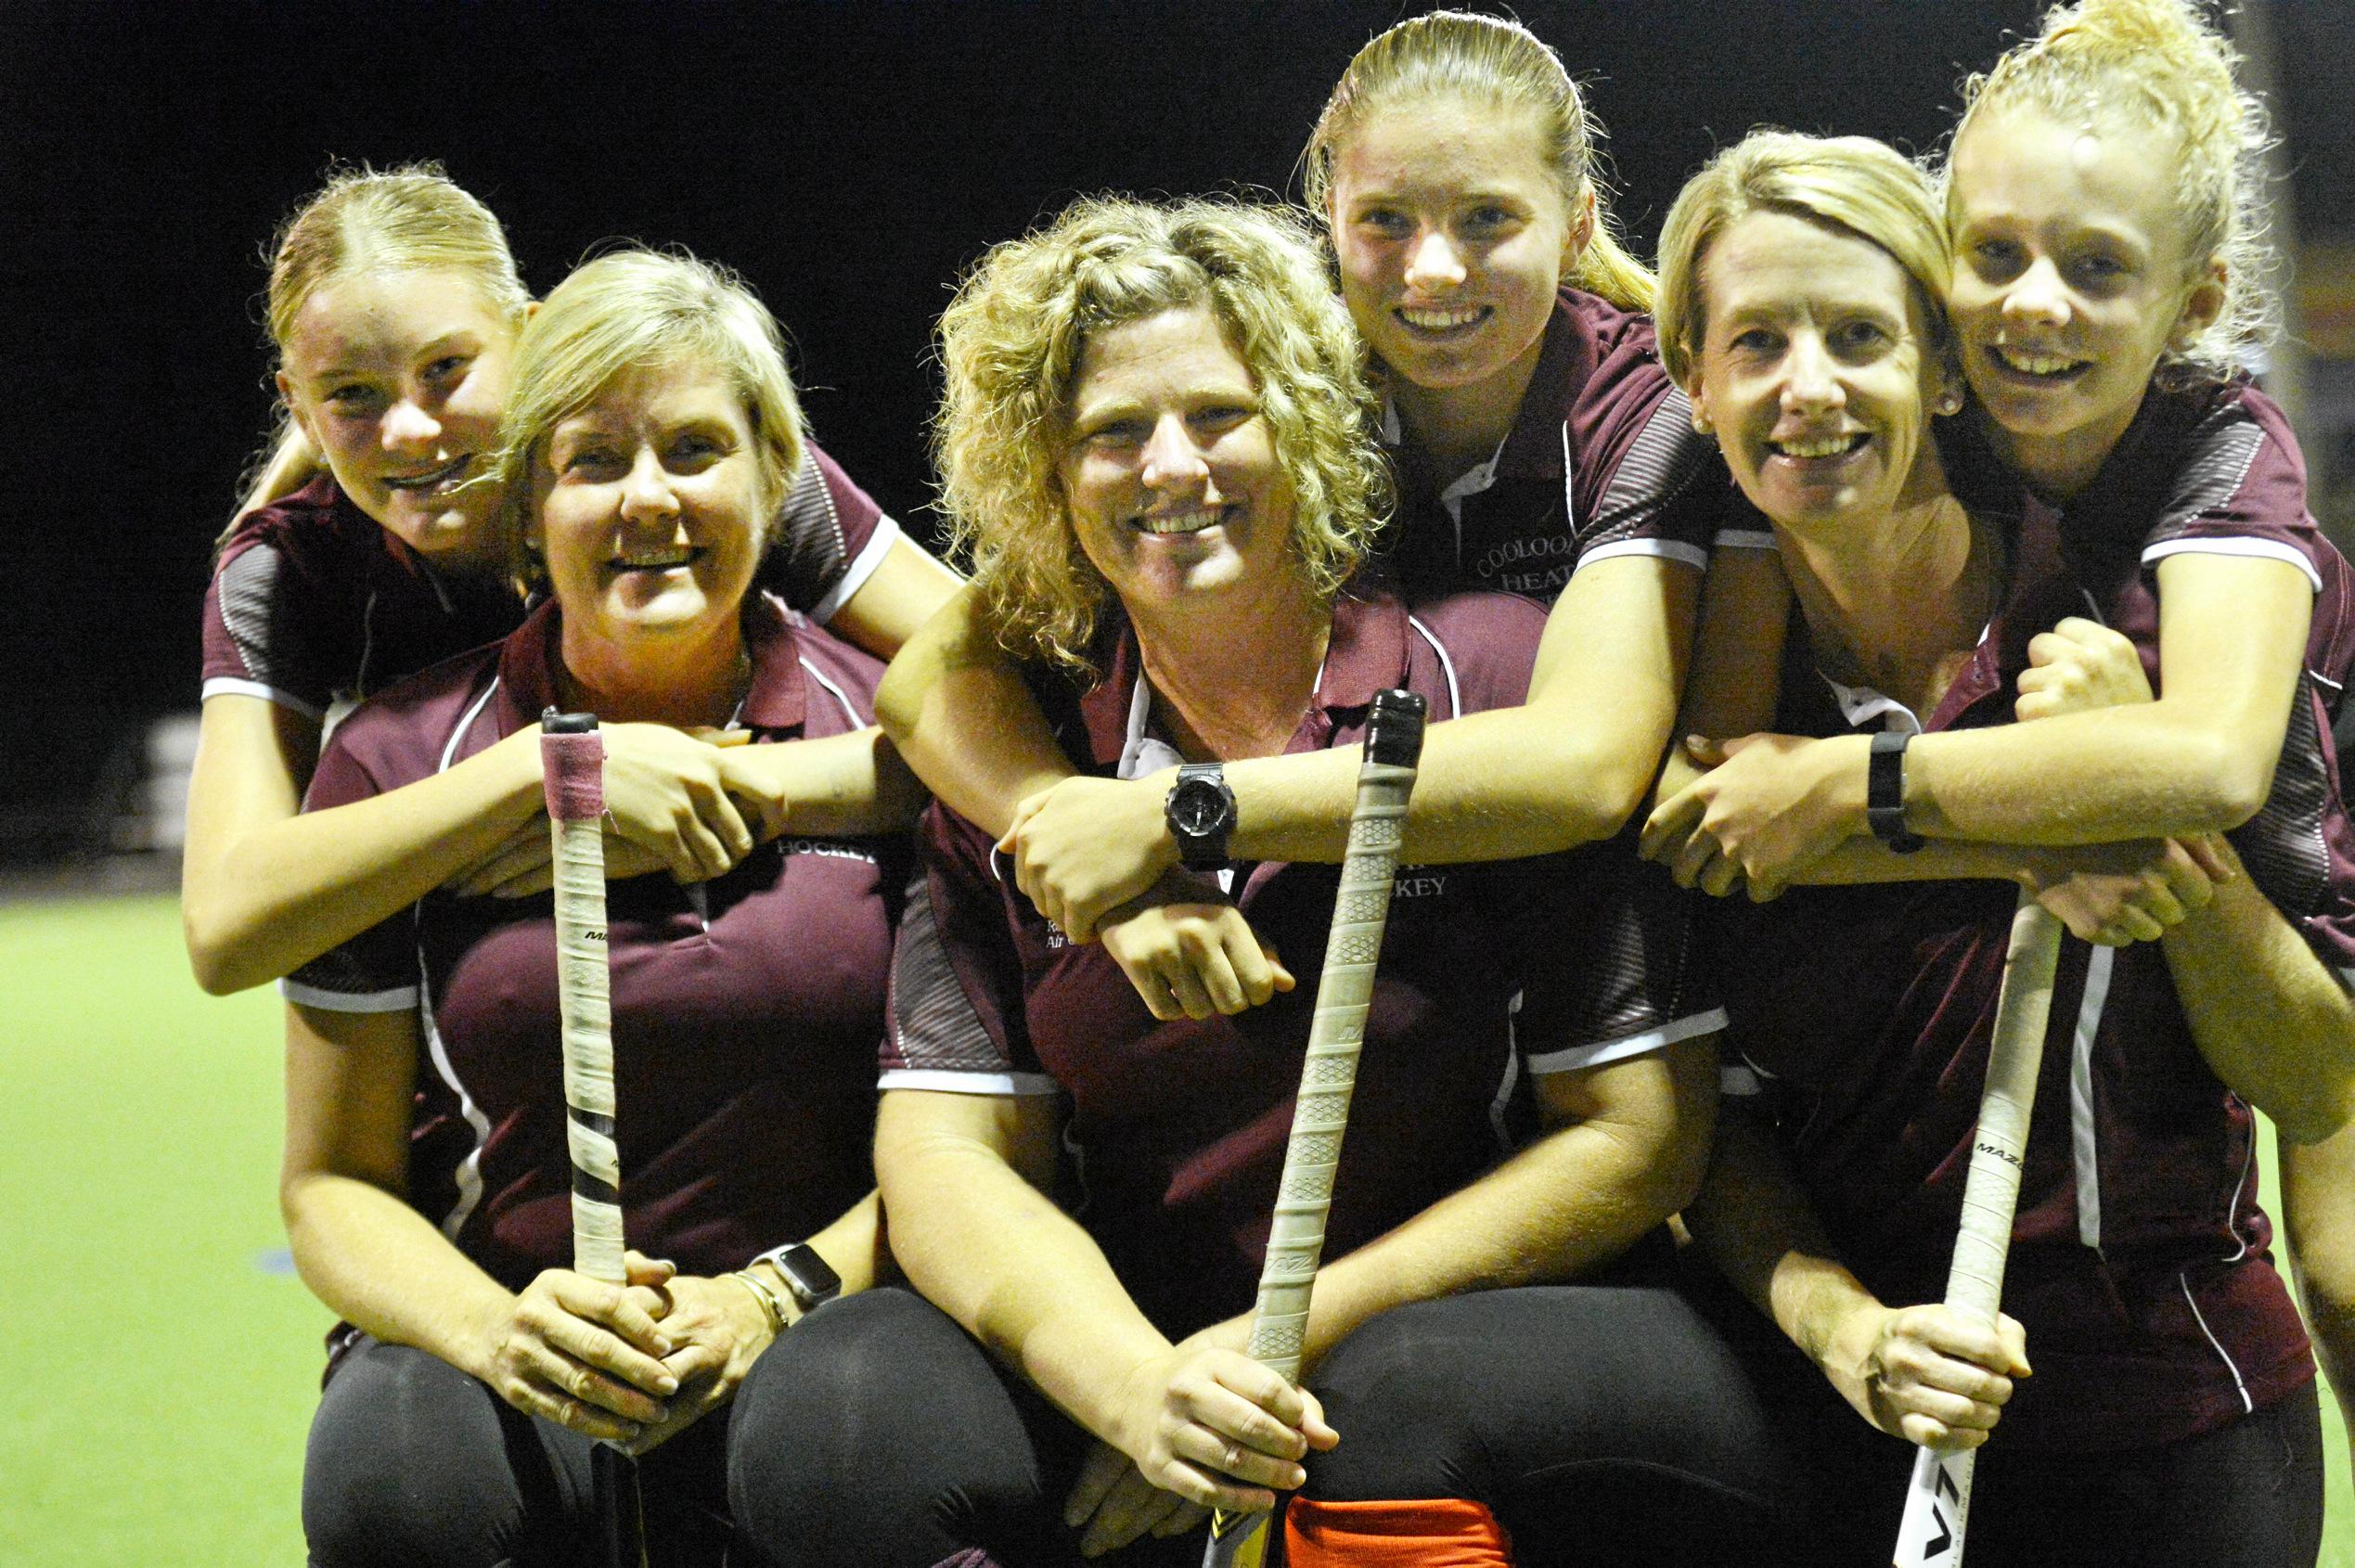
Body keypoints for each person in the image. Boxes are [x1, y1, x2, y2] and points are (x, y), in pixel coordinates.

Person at [731, 197, 1785, 1568]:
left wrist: (1268, 1350)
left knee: (1391, 1399)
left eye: (1217, 415)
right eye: (1112, 432)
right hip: (1155, 1337)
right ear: (1046, 475)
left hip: (1463, 1324)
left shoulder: (1488, 680)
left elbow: (1639, 1138)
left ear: (1297, 420)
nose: (1171, 466)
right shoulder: (1024, 734)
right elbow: (944, 1156)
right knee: (837, 1407)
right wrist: (1126, 1380)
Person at [1644, 0, 2355, 1439]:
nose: (2032, 302)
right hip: (2074, 842)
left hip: (2274, 882)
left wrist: (1866, 780)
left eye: (2095, 268)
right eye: (1993, 256)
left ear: (2195, 299)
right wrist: (2041, 814)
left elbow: (2206, 760)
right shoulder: (1911, 415)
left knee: (2339, 1242)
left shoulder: (2224, 448)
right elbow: (1728, 800)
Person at [870, 10, 1779, 1021]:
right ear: (1329, 222)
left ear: (1573, 223)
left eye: (1487, 218)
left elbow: (1586, 765)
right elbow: (930, 676)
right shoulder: (1292, 386)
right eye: (1387, 220)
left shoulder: (1646, 409)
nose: (1433, 270)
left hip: (1657, 915)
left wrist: (1173, 816)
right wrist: (1088, 849)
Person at [279, 250, 920, 1565]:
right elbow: (332, 1181)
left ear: (772, 471)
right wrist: (500, 1331)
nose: (652, 499)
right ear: (526, 500)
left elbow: (987, 1134)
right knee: (398, 1484)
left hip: (841, 1303)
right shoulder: (400, 759)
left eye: (695, 448)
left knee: (869, 1441)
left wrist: (775, 1294)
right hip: (513, 1317)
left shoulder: (906, 731)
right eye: (593, 460)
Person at [187, 164, 959, 996]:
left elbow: (1015, 686)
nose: (409, 429)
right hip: (478, 994)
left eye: (445, 368)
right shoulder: (285, 571)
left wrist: (740, 785)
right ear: (300, 410)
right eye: (352, 396)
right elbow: (226, 928)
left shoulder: (706, 486)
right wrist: (550, 773)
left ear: (527, 334)